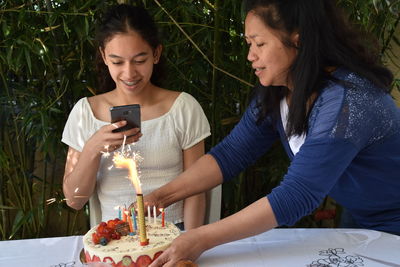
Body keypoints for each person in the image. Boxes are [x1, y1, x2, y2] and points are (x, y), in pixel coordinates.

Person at [143, 0, 400, 266]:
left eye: (259, 44)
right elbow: (231, 154)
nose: (250, 56)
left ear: (297, 42)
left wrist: (200, 238)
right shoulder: (279, 91)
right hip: (361, 218)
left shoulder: (348, 100)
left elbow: (297, 195)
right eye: (248, 44)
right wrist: (160, 197)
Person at [61, 4, 210, 230]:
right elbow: (74, 200)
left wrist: (188, 244)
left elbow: (196, 189)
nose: (129, 73)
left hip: (172, 233)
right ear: (103, 56)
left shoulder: (183, 108)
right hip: (112, 237)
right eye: (117, 62)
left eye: (139, 60)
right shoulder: (86, 112)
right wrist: (93, 148)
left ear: (156, 54)